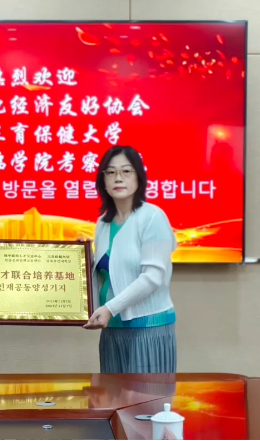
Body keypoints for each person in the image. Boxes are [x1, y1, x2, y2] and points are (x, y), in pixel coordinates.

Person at [83, 146, 177, 374]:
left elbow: (153, 277)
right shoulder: (103, 223)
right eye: (111, 172)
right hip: (111, 329)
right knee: (111, 395)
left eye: (126, 171)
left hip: (147, 328)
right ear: (103, 180)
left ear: (138, 177)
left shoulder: (152, 217)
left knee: (145, 396)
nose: (118, 178)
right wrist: (81, 258)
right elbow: (109, 272)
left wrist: (110, 308)